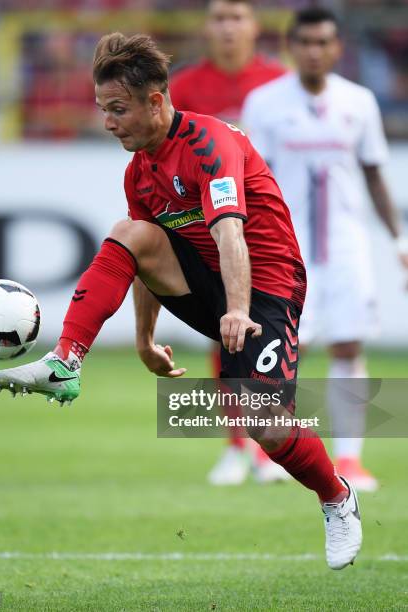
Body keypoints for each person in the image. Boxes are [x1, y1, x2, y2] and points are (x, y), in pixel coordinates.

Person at [0, 32, 362, 570]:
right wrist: (144, 339)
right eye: (103, 110)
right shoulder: (139, 171)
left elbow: (231, 233)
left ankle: (337, 498)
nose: (108, 122)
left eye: (118, 109)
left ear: (157, 102)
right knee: (132, 232)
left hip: (267, 285)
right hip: (210, 281)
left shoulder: (209, 145)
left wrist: (237, 310)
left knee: (264, 420)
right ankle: (65, 360)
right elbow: (143, 259)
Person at [241, 7, 408, 492]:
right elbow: (251, 180)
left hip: (347, 248)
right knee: (286, 346)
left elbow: (374, 172)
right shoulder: (264, 103)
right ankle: (266, 447)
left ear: (337, 48)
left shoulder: (359, 102)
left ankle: (350, 459)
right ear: (292, 46)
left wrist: (398, 239)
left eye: (324, 42)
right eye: (306, 42)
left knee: (350, 344)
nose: (315, 51)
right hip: (285, 249)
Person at [171, 0, 289, 486]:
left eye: (237, 17)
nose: (227, 28)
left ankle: (270, 446)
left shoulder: (279, 85)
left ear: (255, 26)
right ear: (207, 26)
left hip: (269, 227)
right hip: (214, 229)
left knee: (277, 335)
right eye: (219, 18)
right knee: (228, 333)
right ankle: (237, 444)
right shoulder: (184, 89)